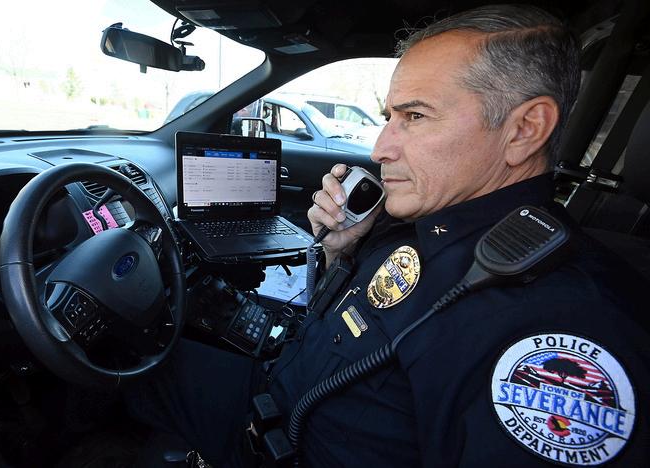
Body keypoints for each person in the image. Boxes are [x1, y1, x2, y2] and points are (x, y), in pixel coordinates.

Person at [127, 4, 649, 467]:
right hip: (276, 394)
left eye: (414, 116)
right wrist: (341, 251)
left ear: (524, 129)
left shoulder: (565, 324)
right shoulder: (430, 221)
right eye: (389, 117)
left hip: (283, 444)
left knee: (127, 362)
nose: (380, 148)